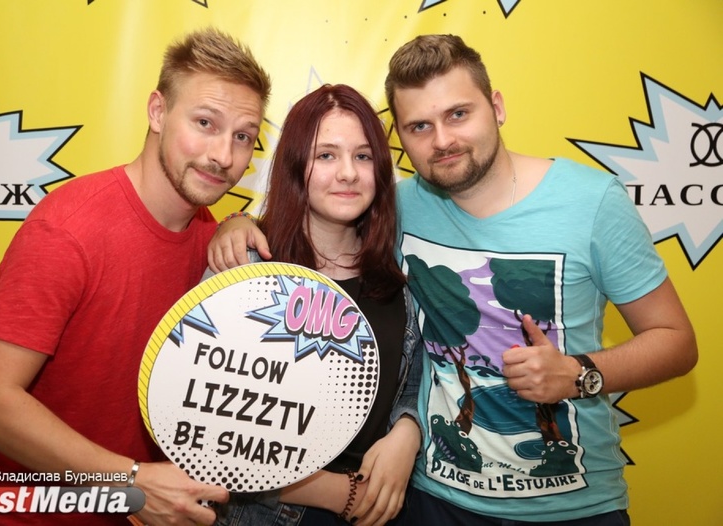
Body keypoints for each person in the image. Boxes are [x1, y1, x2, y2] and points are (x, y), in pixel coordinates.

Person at [207, 34, 698, 525]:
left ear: (496, 107)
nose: (442, 141)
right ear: (401, 139)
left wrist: (577, 373)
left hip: (574, 508)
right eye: (420, 126)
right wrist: (237, 223)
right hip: (433, 502)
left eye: (458, 114)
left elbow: (676, 342)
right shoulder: (398, 210)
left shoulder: (591, 201)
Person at [0, 28, 271, 526]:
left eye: (243, 136)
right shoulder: (69, 229)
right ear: (158, 112)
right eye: (205, 123)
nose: (224, 156)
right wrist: (129, 481)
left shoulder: (209, 234)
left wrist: (238, 220)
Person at [207, 84, 422, 526]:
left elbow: (418, 379)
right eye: (326, 155)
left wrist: (409, 430)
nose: (348, 173)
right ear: (295, 166)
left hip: (382, 511)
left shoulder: (399, 271)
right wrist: (335, 492)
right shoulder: (245, 268)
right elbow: (205, 425)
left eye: (363, 156)